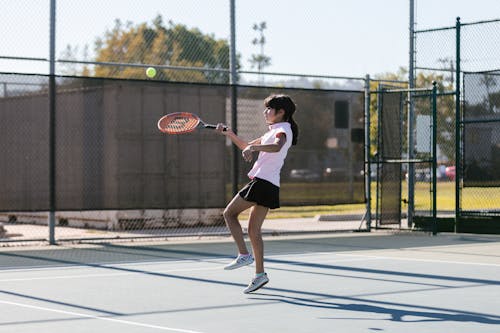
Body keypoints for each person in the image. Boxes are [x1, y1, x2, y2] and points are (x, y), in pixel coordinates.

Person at [216, 94, 299, 293]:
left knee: (229, 213)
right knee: (253, 230)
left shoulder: (282, 131)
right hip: (269, 184)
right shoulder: (272, 131)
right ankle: (260, 275)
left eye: (269, 109)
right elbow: (247, 147)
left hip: (263, 183)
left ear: (281, 113)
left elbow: (276, 147)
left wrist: (254, 147)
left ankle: (244, 254)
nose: (265, 112)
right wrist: (229, 133)